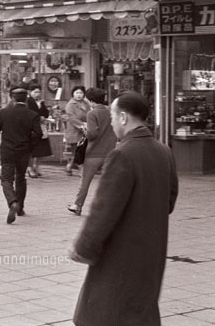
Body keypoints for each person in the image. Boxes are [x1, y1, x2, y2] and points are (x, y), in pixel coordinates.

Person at [69, 91, 179, 326]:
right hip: (152, 249)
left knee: (107, 309)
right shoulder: (164, 152)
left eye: (112, 115)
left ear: (123, 118)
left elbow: (103, 209)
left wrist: (83, 247)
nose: (111, 120)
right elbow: (169, 201)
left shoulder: (122, 154)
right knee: (140, 307)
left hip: (121, 250)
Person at [0, 88, 42, 224]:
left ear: (13, 98)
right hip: (24, 151)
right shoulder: (32, 114)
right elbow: (38, 134)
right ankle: (20, 207)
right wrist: (30, 147)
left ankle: (12, 201)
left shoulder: (4, 113)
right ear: (26, 99)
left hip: (7, 150)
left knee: (6, 179)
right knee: (21, 178)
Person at [67, 88, 117, 216]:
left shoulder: (92, 113)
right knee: (109, 182)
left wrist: (85, 131)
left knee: (85, 182)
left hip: (93, 153)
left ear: (91, 101)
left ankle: (77, 205)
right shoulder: (111, 112)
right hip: (109, 152)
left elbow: (92, 134)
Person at [26, 84, 52, 178]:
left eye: (39, 92)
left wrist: (42, 107)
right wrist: (38, 117)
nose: (37, 94)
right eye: (35, 92)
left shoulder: (41, 102)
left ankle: (37, 166)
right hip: (31, 128)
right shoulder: (28, 101)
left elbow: (46, 114)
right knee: (31, 149)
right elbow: (29, 114)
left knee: (41, 149)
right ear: (30, 92)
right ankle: (30, 168)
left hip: (41, 127)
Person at [64, 86, 91, 176]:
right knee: (77, 150)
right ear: (73, 94)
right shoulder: (70, 105)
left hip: (85, 130)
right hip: (74, 130)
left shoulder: (86, 103)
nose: (79, 95)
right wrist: (82, 125)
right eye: (77, 93)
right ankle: (81, 170)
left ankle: (69, 166)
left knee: (81, 150)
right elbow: (72, 118)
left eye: (81, 93)